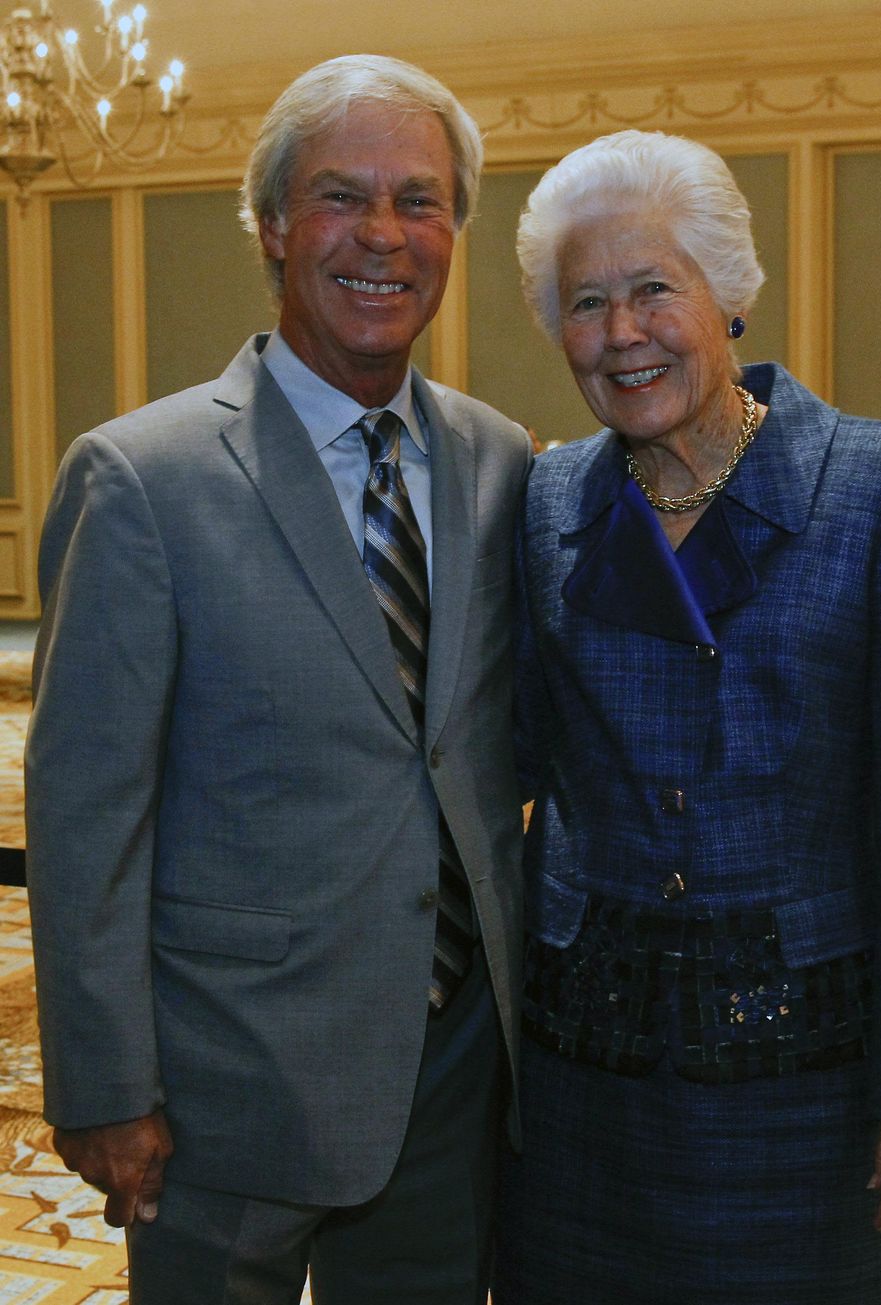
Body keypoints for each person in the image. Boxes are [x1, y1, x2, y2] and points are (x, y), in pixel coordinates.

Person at [25, 54, 531, 1305]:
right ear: (268, 224)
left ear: (455, 231)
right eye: (338, 196)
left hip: (453, 1078)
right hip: (222, 1093)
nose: (382, 234)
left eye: (418, 201)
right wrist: (104, 1086)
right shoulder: (140, 479)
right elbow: (87, 815)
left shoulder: (501, 463)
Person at [491, 129, 881, 1305]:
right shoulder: (546, 497)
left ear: (728, 296)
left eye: (653, 289)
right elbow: (506, 754)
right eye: (585, 303)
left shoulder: (879, 485)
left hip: (795, 1077)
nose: (621, 332)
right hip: (580, 1077)